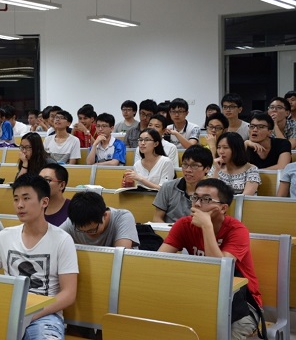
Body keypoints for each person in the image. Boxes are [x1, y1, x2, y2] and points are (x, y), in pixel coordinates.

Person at [158, 178, 263, 339]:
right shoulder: (184, 225)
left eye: (206, 199)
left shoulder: (237, 230)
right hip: (202, 298)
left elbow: (221, 271)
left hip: (242, 306)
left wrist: (206, 226)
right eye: (195, 197)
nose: (197, 204)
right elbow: (158, 260)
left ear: (223, 208)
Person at [0, 174, 78, 340]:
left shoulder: (62, 240)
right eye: (16, 199)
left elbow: (68, 294)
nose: (20, 205)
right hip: (8, 310)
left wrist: (30, 315)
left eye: (26, 198)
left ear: (44, 202)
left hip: (45, 315)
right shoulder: (5, 236)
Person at [152, 145, 213, 223]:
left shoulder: (213, 192)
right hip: (170, 229)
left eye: (194, 166)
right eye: (185, 164)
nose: (188, 170)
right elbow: (157, 218)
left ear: (207, 169)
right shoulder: (168, 187)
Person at [60, 191, 139, 247]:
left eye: (92, 230)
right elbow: (54, 239)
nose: (88, 234)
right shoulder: (75, 221)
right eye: (81, 230)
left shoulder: (123, 217)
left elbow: (121, 255)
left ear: (104, 215)